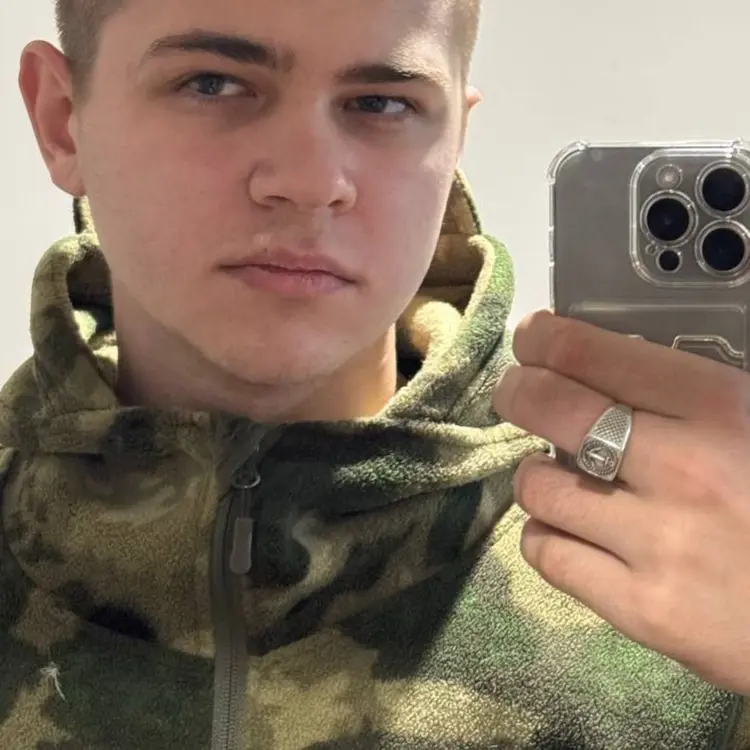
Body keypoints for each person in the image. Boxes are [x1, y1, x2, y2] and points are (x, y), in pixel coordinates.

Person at [2, 0, 749, 747]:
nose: (310, 182)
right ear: (63, 119)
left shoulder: (697, 572)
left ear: (455, 140)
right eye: (212, 84)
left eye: (381, 103)